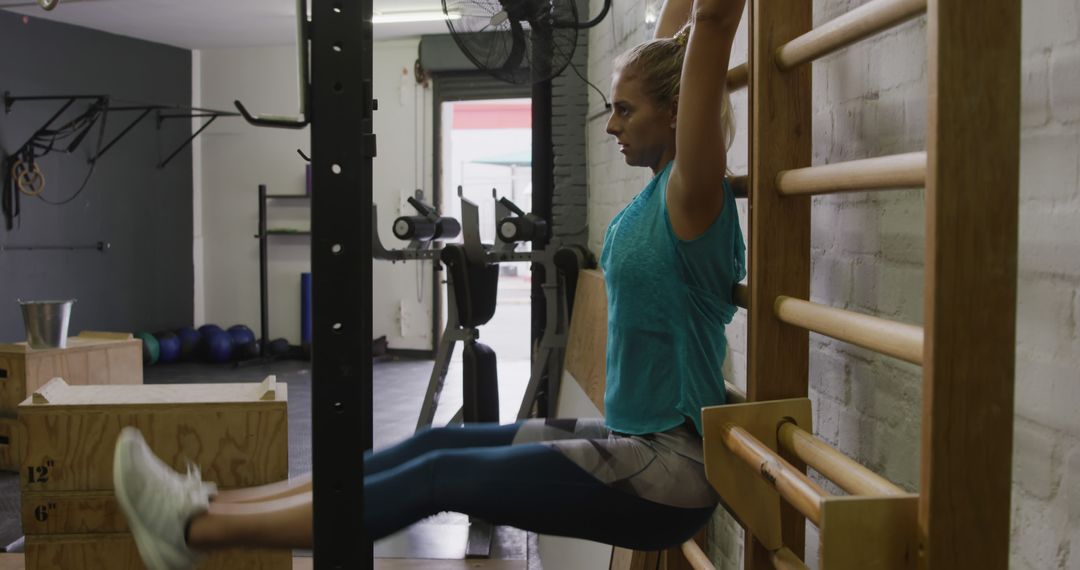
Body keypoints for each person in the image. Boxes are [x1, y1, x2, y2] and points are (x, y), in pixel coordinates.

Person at [111, 1, 747, 568]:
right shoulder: (659, 187)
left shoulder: (692, 196)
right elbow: (680, 38)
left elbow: (713, 22)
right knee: (439, 441)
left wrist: (702, 36)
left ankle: (195, 530)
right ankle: (213, 505)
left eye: (625, 111)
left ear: (674, 115)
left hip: (669, 470)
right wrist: (671, 40)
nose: (611, 126)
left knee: (441, 475)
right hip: (631, 441)